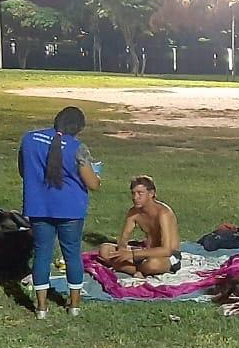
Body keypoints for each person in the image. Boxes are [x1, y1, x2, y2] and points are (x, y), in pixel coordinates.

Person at [19, 106, 102, 319]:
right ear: (78, 129)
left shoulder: (29, 139)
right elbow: (93, 183)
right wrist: (98, 175)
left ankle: (41, 308)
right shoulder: (77, 148)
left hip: (38, 206)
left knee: (42, 254)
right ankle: (74, 305)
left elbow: (23, 170)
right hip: (70, 209)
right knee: (72, 254)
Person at [97, 175, 182, 276]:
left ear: (151, 194)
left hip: (167, 256)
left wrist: (131, 254)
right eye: (133, 193)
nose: (135, 197)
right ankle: (139, 271)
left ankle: (129, 269)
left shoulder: (163, 213)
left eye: (140, 193)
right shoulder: (134, 212)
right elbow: (123, 239)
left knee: (152, 264)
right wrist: (121, 251)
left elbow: (166, 250)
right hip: (145, 252)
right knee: (105, 249)